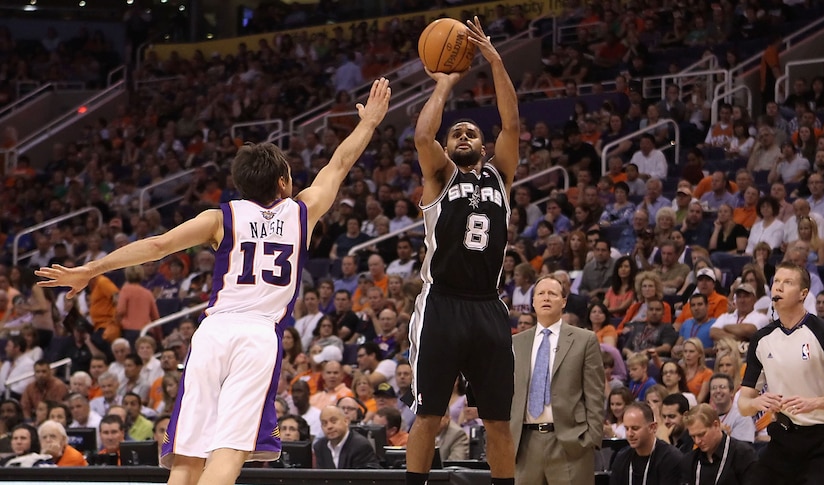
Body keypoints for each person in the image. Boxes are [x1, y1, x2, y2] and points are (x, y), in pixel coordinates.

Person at [36, 78, 392, 485]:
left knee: (189, 447)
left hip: (213, 332)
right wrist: (369, 123)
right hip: (257, 335)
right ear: (282, 183)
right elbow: (340, 163)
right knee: (230, 448)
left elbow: (157, 246)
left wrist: (90, 269)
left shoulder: (219, 218)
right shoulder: (302, 212)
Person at [406, 17, 519, 485]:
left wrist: (494, 60)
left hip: (488, 306)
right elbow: (420, 137)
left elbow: (511, 121)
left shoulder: (501, 174)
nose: (466, 136)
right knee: (429, 414)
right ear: (449, 147)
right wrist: (445, 84)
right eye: (458, 134)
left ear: (485, 145)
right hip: (442, 303)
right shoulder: (440, 175)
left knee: (497, 419)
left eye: (473, 132)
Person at [739, 262, 824, 484]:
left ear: (803, 294)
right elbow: (743, 403)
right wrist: (758, 403)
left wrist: (815, 403)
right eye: (776, 281)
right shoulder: (761, 339)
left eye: (788, 282)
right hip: (784, 437)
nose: (779, 287)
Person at [510, 275, 604, 484]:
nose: (546, 298)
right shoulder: (515, 343)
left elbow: (595, 394)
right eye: (540, 294)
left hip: (570, 442)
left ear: (563, 301)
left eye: (552, 294)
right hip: (524, 443)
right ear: (532, 302)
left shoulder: (584, 340)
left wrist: (591, 439)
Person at [681, 404, 758, 485]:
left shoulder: (743, 454)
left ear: (716, 425)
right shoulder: (689, 460)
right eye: (693, 436)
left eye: (701, 434)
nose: (697, 441)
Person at [609, 402, 683, 485]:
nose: (629, 434)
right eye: (626, 429)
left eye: (635, 428)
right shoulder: (622, 457)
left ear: (652, 427)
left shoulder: (671, 458)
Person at [313, 405, 381, 469]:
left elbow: (364, 479)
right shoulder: (319, 446)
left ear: (346, 421)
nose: (329, 426)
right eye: (324, 423)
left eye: (333, 421)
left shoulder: (360, 445)